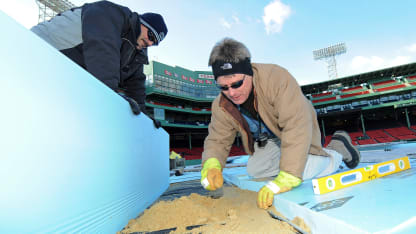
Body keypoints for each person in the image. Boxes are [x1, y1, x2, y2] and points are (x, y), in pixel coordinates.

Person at [200, 38, 361, 209]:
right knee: (256, 171)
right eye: (223, 87)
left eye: (237, 84)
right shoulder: (221, 104)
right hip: (270, 138)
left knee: (301, 170)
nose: (231, 92)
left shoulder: (276, 78)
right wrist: (212, 165)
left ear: (249, 73)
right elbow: (217, 139)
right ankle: (299, 160)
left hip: (299, 122)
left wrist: (288, 175)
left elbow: (296, 124)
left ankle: (337, 152)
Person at [31, 0, 167, 126]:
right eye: (150, 36)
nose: (149, 43)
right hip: (36, 47)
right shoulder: (112, 14)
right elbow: (103, 56)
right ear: (141, 23)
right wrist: (113, 99)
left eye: (154, 43)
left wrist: (144, 119)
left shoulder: (137, 50)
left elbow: (136, 84)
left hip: (64, 72)